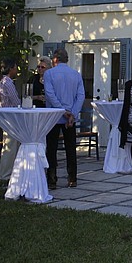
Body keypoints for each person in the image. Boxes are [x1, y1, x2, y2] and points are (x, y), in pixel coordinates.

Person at [44, 48, 85, 188]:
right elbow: (80, 96)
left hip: (54, 115)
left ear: (55, 59)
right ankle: (72, 178)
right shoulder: (76, 74)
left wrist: (62, 110)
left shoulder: (49, 74)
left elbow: (50, 94)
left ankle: (52, 179)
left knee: (52, 148)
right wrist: (73, 113)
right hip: (69, 117)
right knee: (70, 148)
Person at [0, 57, 21, 182]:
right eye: (15, 68)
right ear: (11, 69)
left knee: (11, 146)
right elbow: (16, 102)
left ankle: (10, 174)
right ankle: (5, 175)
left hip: (6, 118)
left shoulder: (3, 82)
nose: (16, 70)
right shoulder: (8, 83)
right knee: (10, 148)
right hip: (11, 119)